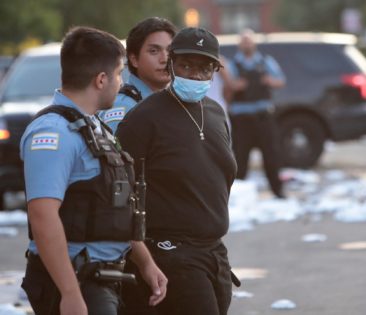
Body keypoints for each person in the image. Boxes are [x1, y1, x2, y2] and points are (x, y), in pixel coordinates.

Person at [20, 26, 167, 315]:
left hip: (102, 280)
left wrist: (146, 263)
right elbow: (42, 215)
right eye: (119, 73)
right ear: (101, 79)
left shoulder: (94, 127)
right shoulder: (53, 132)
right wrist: (70, 293)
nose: (121, 81)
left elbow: (113, 206)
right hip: (77, 283)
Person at [116, 27, 239, 315]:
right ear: (171, 64)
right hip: (171, 254)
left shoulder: (215, 112)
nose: (196, 75)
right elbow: (119, 192)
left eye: (205, 68)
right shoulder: (143, 117)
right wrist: (142, 256)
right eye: (187, 65)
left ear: (216, 70)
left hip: (214, 251)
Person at [228, 28, 286, 198]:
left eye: (249, 40)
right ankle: (238, 195)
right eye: (243, 41)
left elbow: (281, 81)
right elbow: (228, 86)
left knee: (271, 155)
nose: (247, 43)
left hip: (263, 117)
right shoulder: (233, 64)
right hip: (241, 118)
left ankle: (278, 191)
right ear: (239, 44)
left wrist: (269, 81)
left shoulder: (265, 62)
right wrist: (236, 85)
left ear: (254, 43)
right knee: (239, 158)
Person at [99, 17, 177, 133]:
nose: (165, 59)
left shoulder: (172, 103)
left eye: (170, 51)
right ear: (134, 59)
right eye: (154, 51)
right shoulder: (124, 107)